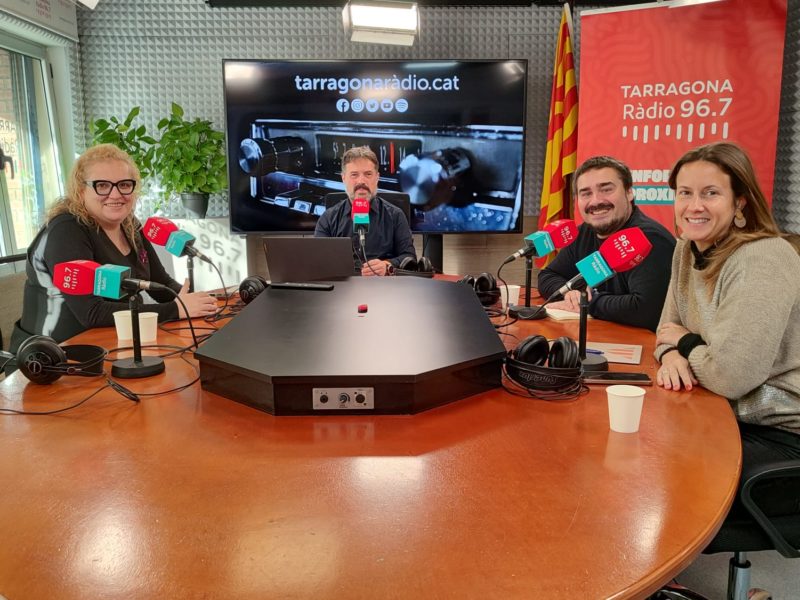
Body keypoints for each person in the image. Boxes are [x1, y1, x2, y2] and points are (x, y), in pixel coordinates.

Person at [655, 142, 800, 518]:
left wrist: (686, 343)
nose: (694, 206)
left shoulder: (763, 257)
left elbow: (731, 376)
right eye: (685, 193)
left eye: (710, 193)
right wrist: (670, 354)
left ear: (740, 203)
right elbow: (665, 328)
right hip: (725, 415)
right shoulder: (686, 248)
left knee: (651, 471)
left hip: (782, 436)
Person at [10, 144, 217, 354]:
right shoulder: (66, 230)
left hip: (114, 342)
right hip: (53, 355)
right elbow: (91, 313)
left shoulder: (129, 224)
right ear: (80, 190)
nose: (116, 194)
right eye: (102, 185)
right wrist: (175, 309)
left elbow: (161, 283)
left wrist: (203, 302)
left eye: (124, 184)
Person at [537, 156, 675, 331]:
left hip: (641, 343)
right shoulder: (584, 232)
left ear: (629, 192)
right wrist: (571, 294)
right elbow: (548, 275)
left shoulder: (650, 238)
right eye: (586, 193)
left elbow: (645, 310)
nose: (596, 201)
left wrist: (588, 302)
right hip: (597, 335)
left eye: (606, 189)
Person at [314, 146, 416, 276]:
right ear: (343, 178)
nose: (361, 181)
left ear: (377, 177)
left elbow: (410, 257)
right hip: (343, 285)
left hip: (383, 285)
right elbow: (318, 261)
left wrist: (387, 265)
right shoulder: (328, 218)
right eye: (354, 175)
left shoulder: (396, 216)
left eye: (368, 174)